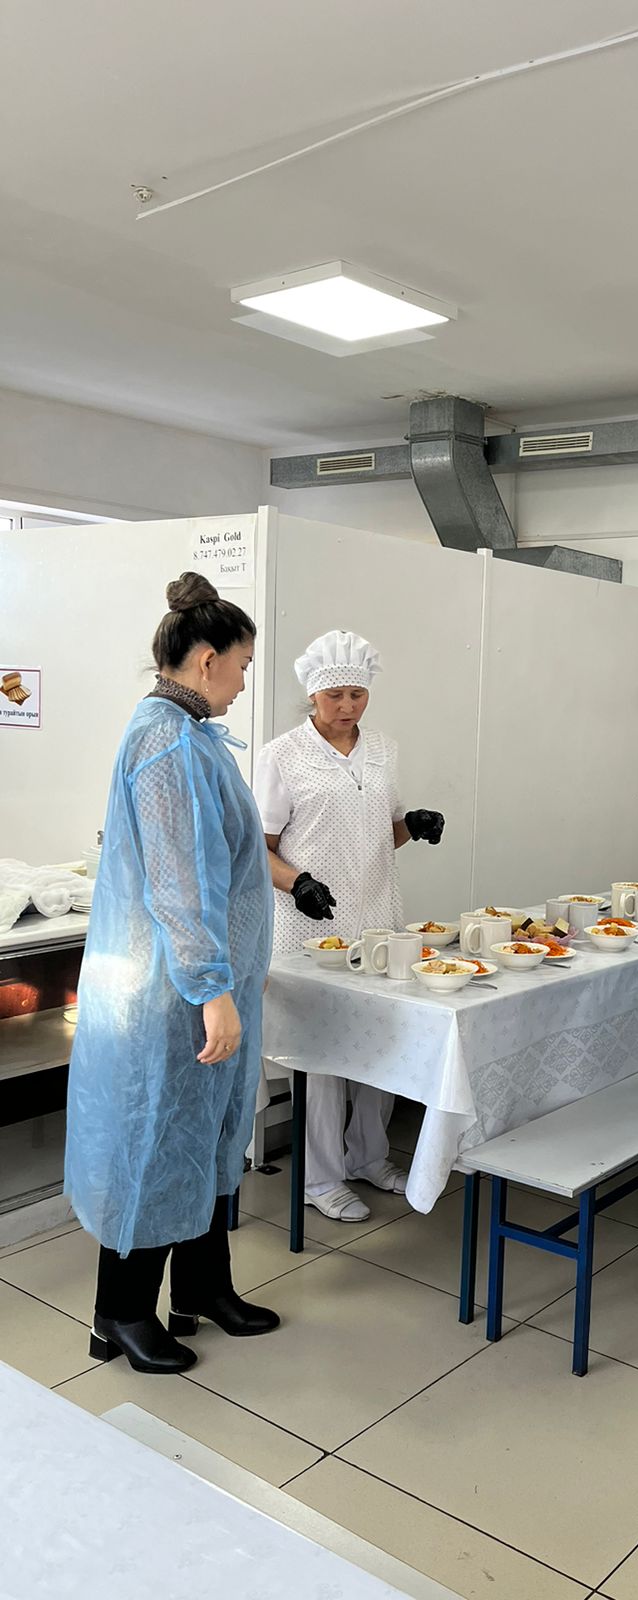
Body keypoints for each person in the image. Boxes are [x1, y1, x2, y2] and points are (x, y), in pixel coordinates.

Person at [65, 573, 277, 1376]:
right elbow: (181, 883)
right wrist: (211, 989)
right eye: (243, 664)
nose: (245, 681)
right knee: (157, 1143)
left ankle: (202, 1289)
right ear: (207, 659)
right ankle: (119, 1313)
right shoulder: (167, 744)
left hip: (200, 980)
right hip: (175, 990)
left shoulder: (189, 734)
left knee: (209, 1139)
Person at [254, 630, 445, 1223]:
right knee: (323, 1051)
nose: (347, 706)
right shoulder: (282, 755)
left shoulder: (383, 749)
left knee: (382, 1040)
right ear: (313, 695)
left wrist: (412, 824)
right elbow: (259, 848)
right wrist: (298, 884)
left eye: (357, 695)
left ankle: (368, 1156)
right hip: (309, 930)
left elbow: (380, 832)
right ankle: (320, 1176)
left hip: (378, 918)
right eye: (335, 695)